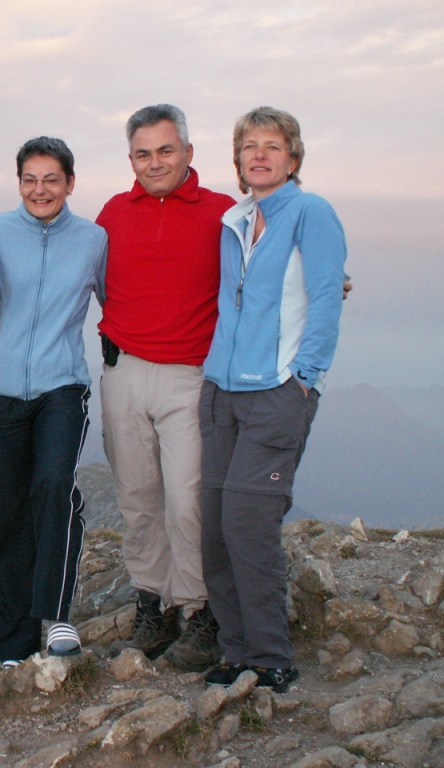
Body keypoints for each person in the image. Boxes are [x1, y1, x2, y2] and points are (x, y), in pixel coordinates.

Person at [200, 107, 346, 693]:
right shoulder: (235, 219)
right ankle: (236, 650)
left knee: (248, 524)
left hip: (276, 395)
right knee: (214, 529)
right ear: (238, 159)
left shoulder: (311, 212)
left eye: (273, 145)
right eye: (250, 146)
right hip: (221, 392)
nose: (259, 154)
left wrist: (304, 378)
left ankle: (271, 656)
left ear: (293, 158)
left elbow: (327, 296)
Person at [96, 105, 234, 670]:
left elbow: (271, 258)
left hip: (189, 377)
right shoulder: (112, 212)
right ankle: (152, 605)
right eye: (143, 153)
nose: (154, 163)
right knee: (138, 498)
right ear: (131, 159)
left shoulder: (222, 212)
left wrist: (326, 277)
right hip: (124, 372)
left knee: (186, 498)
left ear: (188, 153)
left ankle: (199, 610)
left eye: (165, 151)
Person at [0, 137, 107, 664]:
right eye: (30, 179)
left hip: (62, 386)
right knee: (3, 513)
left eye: (51, 179)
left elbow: (122, 300)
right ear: (19, 182)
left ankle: (56, 614)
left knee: (52, 486)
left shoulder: (93, 239)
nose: (40, 189)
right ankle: (12, 644)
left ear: (70, 183)